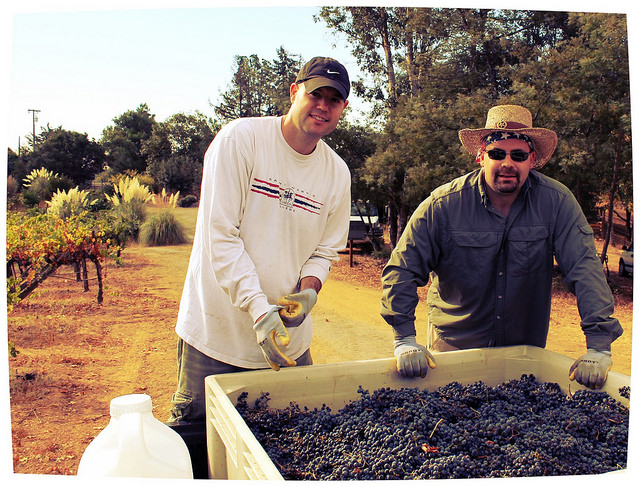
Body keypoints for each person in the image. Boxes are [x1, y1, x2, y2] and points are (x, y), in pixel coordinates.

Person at [381, 104, 623, 390]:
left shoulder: (557, 203)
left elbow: (585, 270)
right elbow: (402, 270)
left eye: (518, 155)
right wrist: (405, 339)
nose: (508, 163)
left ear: (532, 160)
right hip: (453, 350)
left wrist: (599, 347)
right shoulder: (443, 205)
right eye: (497, 153)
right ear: (480, 156)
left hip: (523, 356)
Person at [169, 57, 351, 422]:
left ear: (343, 109)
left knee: (295, 453)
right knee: (201, 449)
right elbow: (221, 236)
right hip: (217, 341)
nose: (323, 106)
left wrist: (309, 290)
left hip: (289, 347)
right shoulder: (241, 139)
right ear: (294, 91)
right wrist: (257, 310)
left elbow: (324, 251)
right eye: (317, 94)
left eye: (334, 100)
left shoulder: (337, 173)